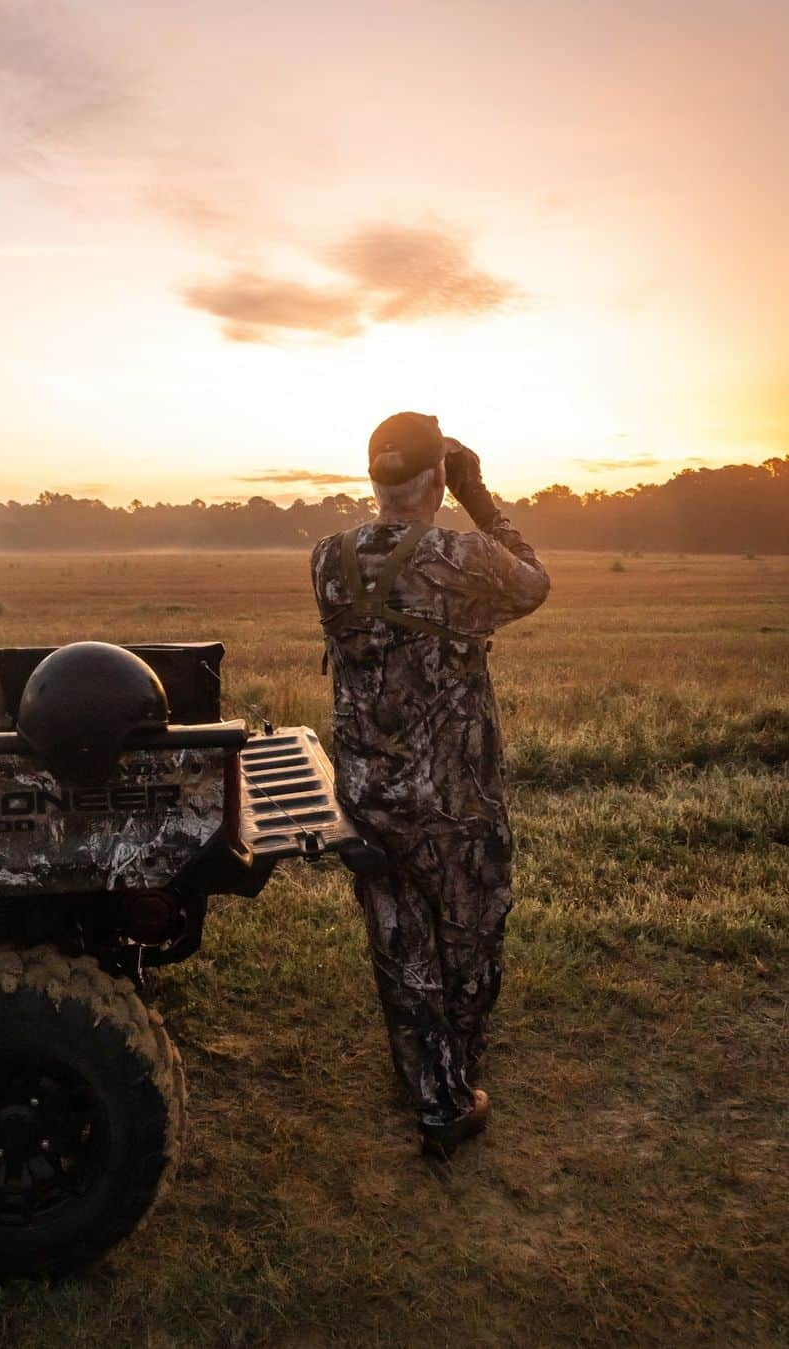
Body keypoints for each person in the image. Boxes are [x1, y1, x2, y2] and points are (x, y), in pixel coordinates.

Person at [310, 411, 550, 1157]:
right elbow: (535, 583)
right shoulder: (463, 556)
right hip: (454, 797)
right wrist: (477, 494)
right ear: (437, 478)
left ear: (374, 477)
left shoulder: (326, 559)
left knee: (399, 939)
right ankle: (451, 1088)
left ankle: (425, 1075)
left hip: (369, 795)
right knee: (470, 935)